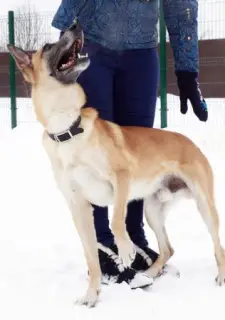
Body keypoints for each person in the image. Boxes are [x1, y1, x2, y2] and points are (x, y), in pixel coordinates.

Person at [51, 0, 208, 289]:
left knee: (134, 153)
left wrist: (187, 72)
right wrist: (65, 37)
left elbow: (181, 5)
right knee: (96, 149)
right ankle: (102, 244)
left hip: (141, 55)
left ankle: (134, 238)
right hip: (93, 46)